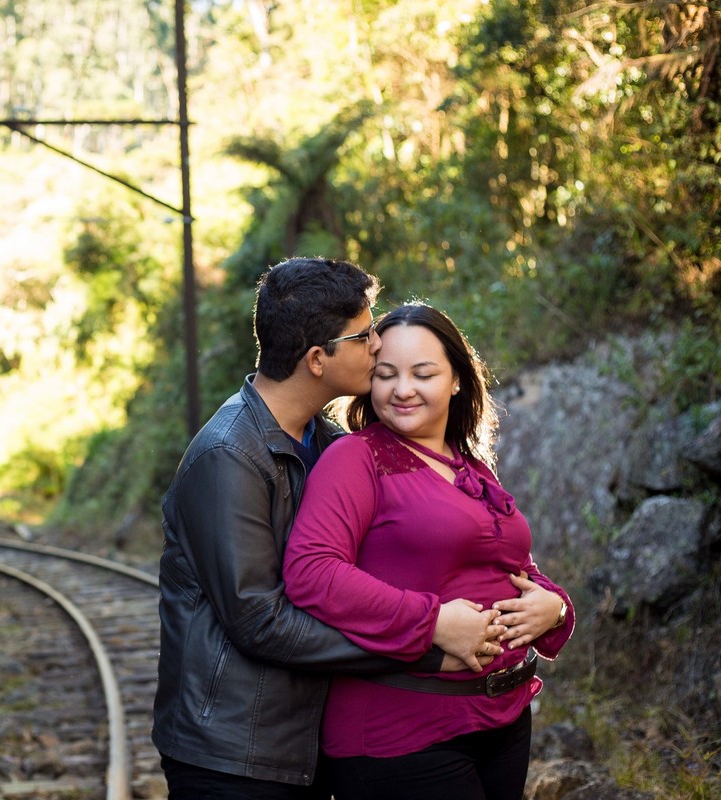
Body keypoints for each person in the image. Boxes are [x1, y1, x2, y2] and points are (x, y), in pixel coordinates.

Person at [153, 259, 507, 799]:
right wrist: (424, 642)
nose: (378, 345)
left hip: (305, 740)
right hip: (234, 755)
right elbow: (259, 620)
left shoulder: (328, 439)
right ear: (318, 359)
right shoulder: (228, 457)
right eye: (364, 335)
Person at [282, 302, 575, 800]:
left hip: (502, 720)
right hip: (402, 732)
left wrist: (555, 606)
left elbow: (509, 563)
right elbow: (311, 571)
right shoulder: (356, 458)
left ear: (457, 379)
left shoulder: (470, 466)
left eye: (423, 373)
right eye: (386, 374)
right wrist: (433, 620)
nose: (402, 389)